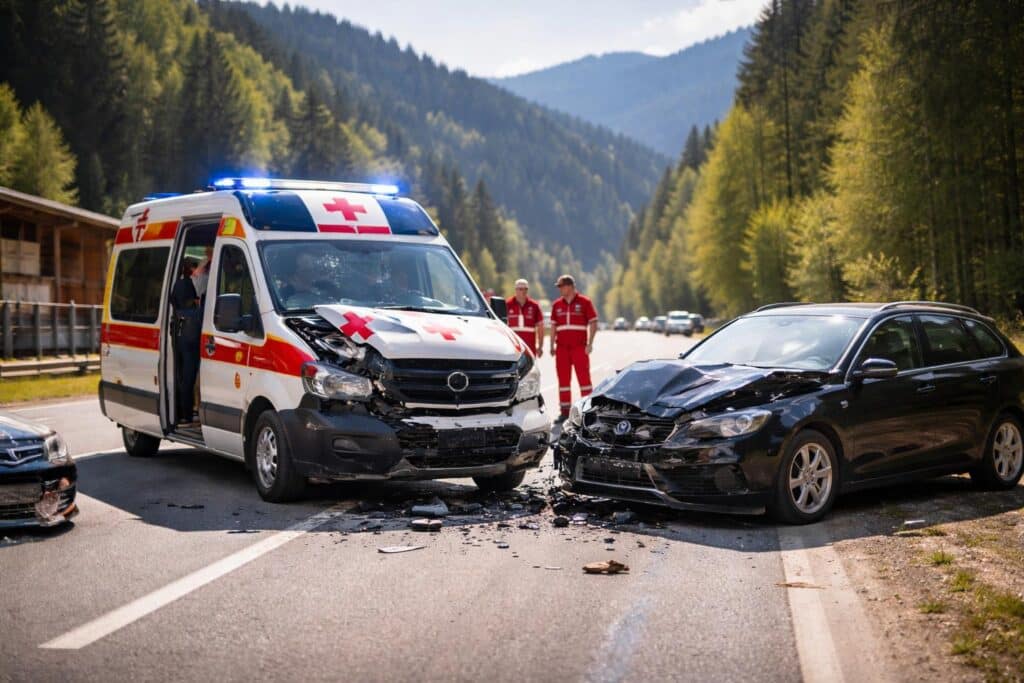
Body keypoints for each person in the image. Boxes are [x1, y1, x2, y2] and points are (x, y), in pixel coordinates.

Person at [549, 274, 598, 421]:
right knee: (563, 381)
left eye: (561, 286)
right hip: (562, 348)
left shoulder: (585, 302)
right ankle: (564, 412)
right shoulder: (556, 305)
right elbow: (553, 326)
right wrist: (551, 345)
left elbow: (593, 322)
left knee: (584, 380)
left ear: (569, 286)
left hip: (579, 347)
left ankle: (587, 411)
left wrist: (590, 343)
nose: (559, 289)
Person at [170, 260, 202, 425]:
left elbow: (174, 302)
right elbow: (193, 304)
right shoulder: (189, 283)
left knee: (184, 375)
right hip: (191, 335)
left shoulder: (178, 284)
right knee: (189, 375)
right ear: (191, 269)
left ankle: (185, 412)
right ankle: (187, 413)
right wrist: (197, 304)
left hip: (180, 334)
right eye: (196, 268)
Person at [506, 278, 544, 357]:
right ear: (516, 290)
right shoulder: (507, 304)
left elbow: (540, 327)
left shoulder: (534, 305)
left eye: (525, 289)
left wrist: (540, 346)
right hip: (512, 346)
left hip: (529, 347)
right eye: (520, 289)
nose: (523, 291)